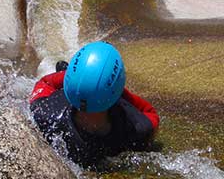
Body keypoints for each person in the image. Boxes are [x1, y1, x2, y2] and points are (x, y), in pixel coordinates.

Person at [29, 41, 159, 168]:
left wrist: (73, 79)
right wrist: (117, 92)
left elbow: (45, 83)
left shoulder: (45, 114)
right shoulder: (137, 130)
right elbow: (149, 112)